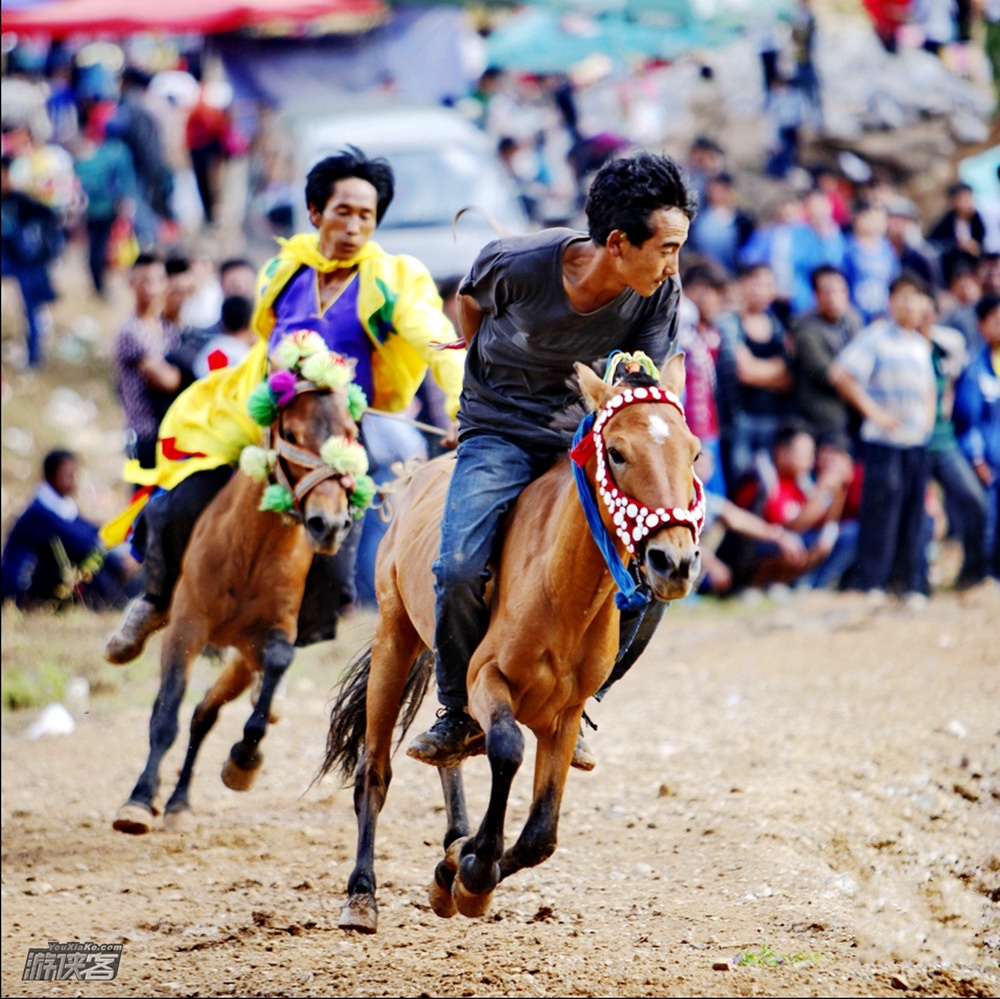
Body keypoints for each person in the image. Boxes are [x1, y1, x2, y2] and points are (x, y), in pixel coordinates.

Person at [102, 147, 464, 664]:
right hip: (262, 420)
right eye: (344, 211)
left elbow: (437, 339)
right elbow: (264, 342)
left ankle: (285, 629)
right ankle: (155, 600)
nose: (355, 225)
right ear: (315, 213)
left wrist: (459, 406)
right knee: (178, 500)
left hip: (335, 433)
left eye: (367, 215)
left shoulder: (391, 280)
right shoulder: (284, 271)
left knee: (336, 542)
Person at [406, 152, 697, 768]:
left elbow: (640, 387)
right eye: (666, 248)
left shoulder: (657, 295)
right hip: (497, 429)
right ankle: (458, 711)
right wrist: (478, 365)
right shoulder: (519, 264)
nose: (673, 264)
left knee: (655, 565)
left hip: (583, 441)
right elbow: (470, 302)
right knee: (458, 565)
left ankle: (578, 697)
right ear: (618, 242)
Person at [829, 272, 937, 601]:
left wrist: (928, 423)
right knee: (881, 515)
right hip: (883, 443)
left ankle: (909, 584)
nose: (909, 303)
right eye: (902, 296)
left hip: (916, 443)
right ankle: (872, 583)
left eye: (916, 297)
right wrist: (874, 412)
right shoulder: (876, 336)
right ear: (891, 301)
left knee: (913, 515)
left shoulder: (920, 343)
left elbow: (931, 389)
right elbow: (841, 374)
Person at [1, 450, 137, 610]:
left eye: (74, 473)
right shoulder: (39, 513)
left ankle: (126, 603)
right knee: (90, 565)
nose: (73, 479)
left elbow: (93, 531)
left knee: (96, 562)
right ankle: (122, 605)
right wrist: (120, 563)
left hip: (43, 581)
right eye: (67, 473)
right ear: (50, 475)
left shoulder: (61, 507)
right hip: (21, 591)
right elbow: (80, 543)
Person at [113, 253, 182, 470]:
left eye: (158, 280)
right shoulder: (131, 332)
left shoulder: (168, 329)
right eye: (144, 280)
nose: (151, 287)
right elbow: (166, 380)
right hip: (145, 433)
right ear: (132, 284)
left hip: (169, 432)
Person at [790, 264, 863, 441]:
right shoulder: (805, 329)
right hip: (823, 417)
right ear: (816, 295)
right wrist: (874, 410)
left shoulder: (854, 320)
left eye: (840, 291)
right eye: (828, 292)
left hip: (855, 413)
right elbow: (831, 375)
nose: (834, 297)